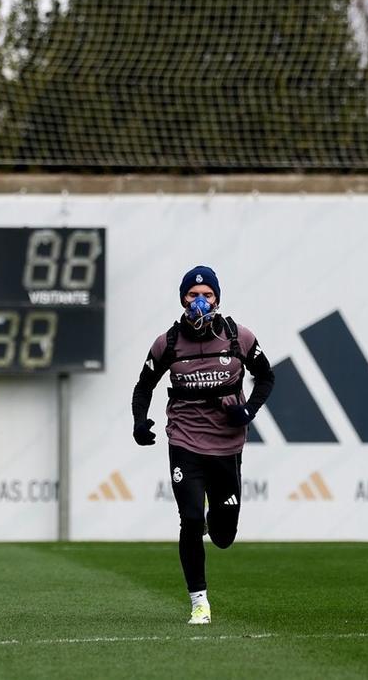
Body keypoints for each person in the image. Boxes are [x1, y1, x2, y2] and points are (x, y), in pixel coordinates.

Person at [130, 266, 275, 625]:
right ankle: (199, 601)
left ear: (218, 299)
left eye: (207, 295)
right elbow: (143, 384)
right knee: (190, 519)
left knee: (224, 535)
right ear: (182, 299)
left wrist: (248, 411)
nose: (199, 302)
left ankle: (215, 517)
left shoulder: (238, 336)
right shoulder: (169, 342)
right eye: (193, 295)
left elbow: (266, 376)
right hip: (184, 440)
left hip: (227, 445)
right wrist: (139, 421)